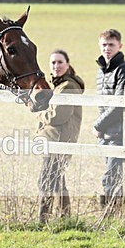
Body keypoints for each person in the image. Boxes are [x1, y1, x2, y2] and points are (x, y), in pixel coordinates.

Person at [92, 28, 125, 208]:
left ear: (120, 46)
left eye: (111, 45)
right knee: (112, 178)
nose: (107, 48)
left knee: (112, 179)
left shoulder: (124, 70)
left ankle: (111, 216)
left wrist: (98, 125)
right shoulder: (102, 71)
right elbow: (103, 105)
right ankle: (113, 215)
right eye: (104, 45)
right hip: (107, 134)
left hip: (120, 134)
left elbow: (120, 105)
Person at [35, 49, 84, 223]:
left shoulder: (68, 86)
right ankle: (65, 218)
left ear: (68, 64)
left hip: (60, 140)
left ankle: (43, 220)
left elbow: (58, 116)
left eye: (60, 62)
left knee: (46, 180)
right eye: (53, 62)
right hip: (56, 139)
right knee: (56, 180)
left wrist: (40, 113)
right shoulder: (59, 85)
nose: (56, 66)